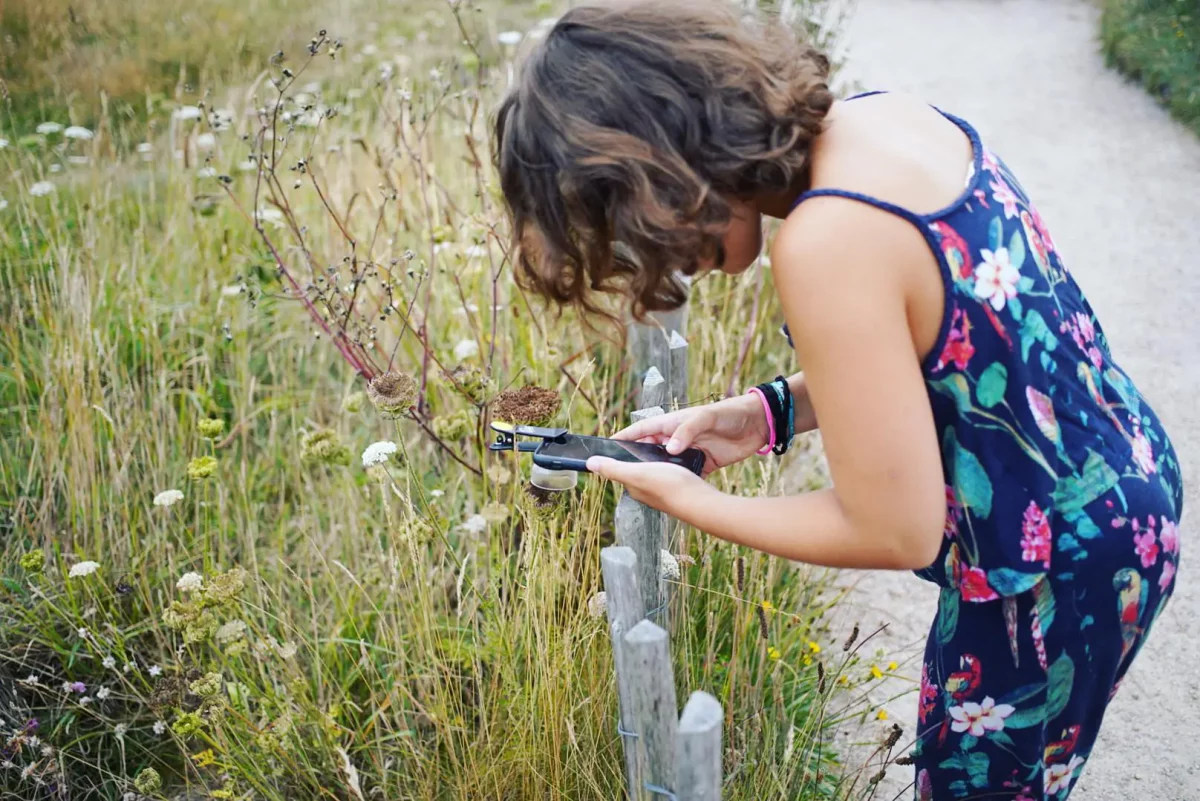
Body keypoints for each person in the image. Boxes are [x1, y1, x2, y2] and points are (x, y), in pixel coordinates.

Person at [491, 1, 1185, 798]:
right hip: (1120, 497)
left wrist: (685, 499)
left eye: (636, 218)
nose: (667, 260)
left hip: (1043, 576)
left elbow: (893, 527)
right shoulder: (879, 124)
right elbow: (962, 350)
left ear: (670, 155)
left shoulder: (826, 241)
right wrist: (766, 413)